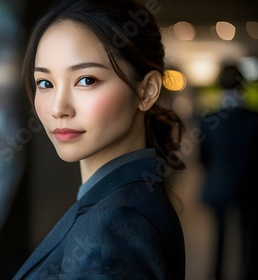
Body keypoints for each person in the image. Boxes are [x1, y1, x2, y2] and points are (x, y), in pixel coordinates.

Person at [14, 0, 186, 279]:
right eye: (45, 83)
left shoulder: (114, 226)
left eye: (86, 80)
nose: (59, 108)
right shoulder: (124, 200)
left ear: (147, 91)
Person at [199, 65, 258, 280]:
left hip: (218, 185)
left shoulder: (208, 119)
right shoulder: (253, 118)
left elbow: (204, 158)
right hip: (249, 186)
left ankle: (217, 274)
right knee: (248, 235)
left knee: (219, 234)